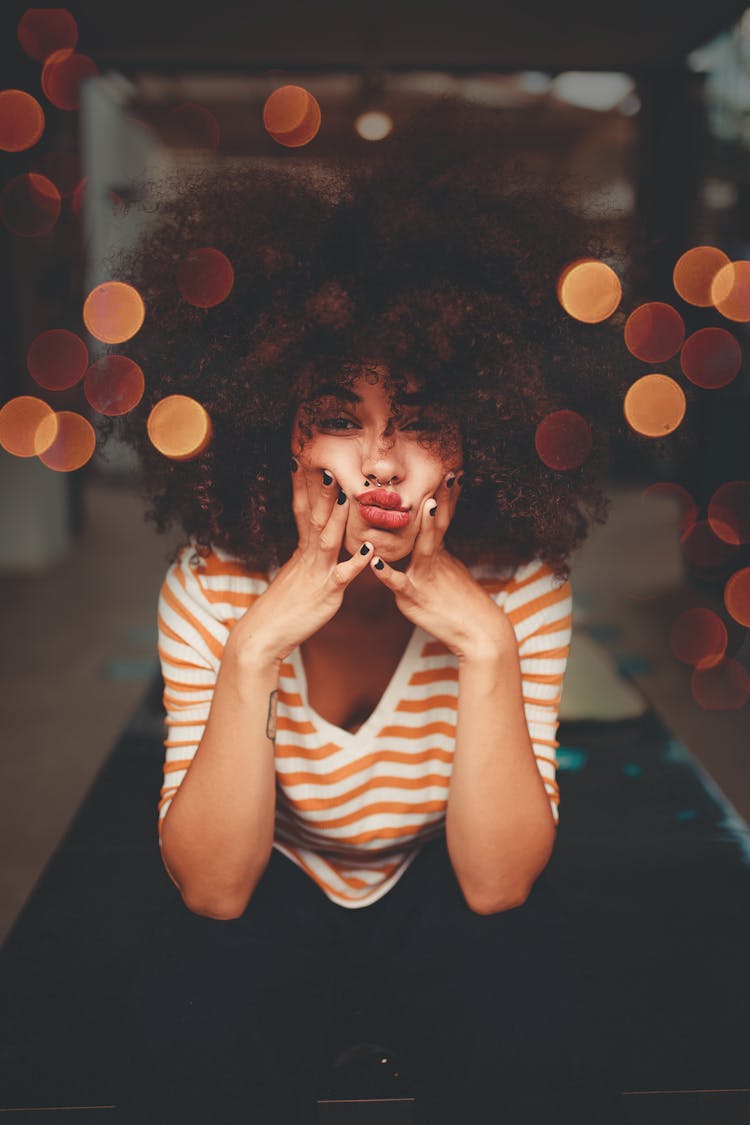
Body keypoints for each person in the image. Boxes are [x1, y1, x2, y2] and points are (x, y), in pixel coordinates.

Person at [113, 101, 625, 1123]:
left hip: (441, 888)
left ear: (474, 444)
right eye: (343, 421)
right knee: (192, 1023)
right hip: (276, 889)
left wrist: (485, 645)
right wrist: (255, 648)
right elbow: (213, 892)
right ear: (284, 437)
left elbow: (496, 889)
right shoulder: (212, 585)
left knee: (536, 1009)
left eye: (421, 424)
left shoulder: (520, 590)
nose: (382, 462)